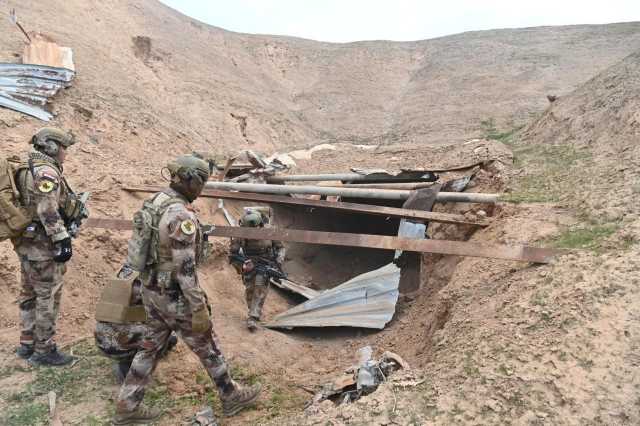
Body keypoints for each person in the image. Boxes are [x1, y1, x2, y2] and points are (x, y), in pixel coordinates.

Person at [113, 154, 261, 425]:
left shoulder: (156, 201)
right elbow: (185, 270)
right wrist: (198, 307)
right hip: (175, 296)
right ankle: (231, 395)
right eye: (201, 181)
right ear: (191, 180)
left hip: (151, 291)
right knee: (207, 344)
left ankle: (127, 404)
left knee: (149, 347)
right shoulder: (181, 216)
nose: (202, 188)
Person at [13, 127, 79, 366]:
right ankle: (44, 350)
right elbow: (47, 209)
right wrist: (62, 239)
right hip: (43, 245)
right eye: (64, 148)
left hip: (27, 242)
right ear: (51, 146)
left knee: (29, 293)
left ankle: (27, 344)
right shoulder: (46, 172)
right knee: (47, 296)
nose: (65, 153)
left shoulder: (27, 166)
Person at [94, 265, 178, 383]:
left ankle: (126, 361)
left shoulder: (124, 271)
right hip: (122, 346)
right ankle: (133, 367)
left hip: (102, 341)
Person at [229, 210, 285, 331]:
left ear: (260, 225)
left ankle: (253, 317)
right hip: (249, 264)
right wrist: (242, 265)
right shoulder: (240, 234)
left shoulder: (270, 231)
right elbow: (233, 255)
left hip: (265, 263)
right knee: (250, 289)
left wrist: (278, 261)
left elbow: (281, 248)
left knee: (259, 288)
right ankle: (252, 311)